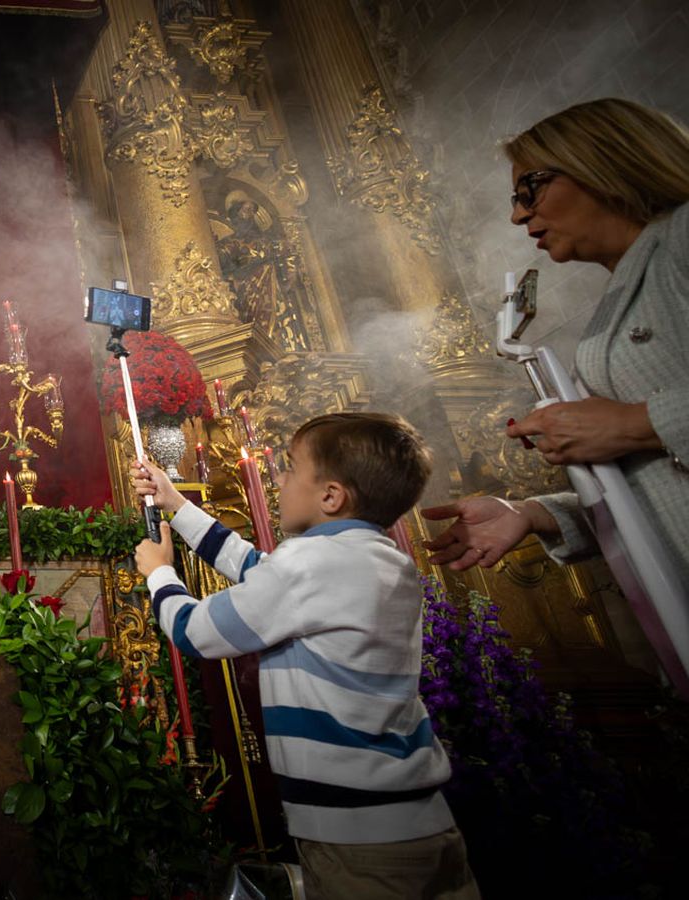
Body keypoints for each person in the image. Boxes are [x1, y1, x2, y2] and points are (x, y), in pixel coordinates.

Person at [133, 413, 479, 900]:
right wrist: (177, 504)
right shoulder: (380, 559)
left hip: (358, 840)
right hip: (423, 823)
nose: (279, 479)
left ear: (331, 495)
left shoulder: (311, 565)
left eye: (290, 469)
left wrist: (159, 573)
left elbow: (196, 632)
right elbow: (257, 568)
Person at [421, 99, 689, 588]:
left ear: (603, 162)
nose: (519, 215)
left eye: (531, 188)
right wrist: (534, 514)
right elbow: (657, 488)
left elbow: (644, 437)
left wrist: (635, 425)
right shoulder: (623, 291)